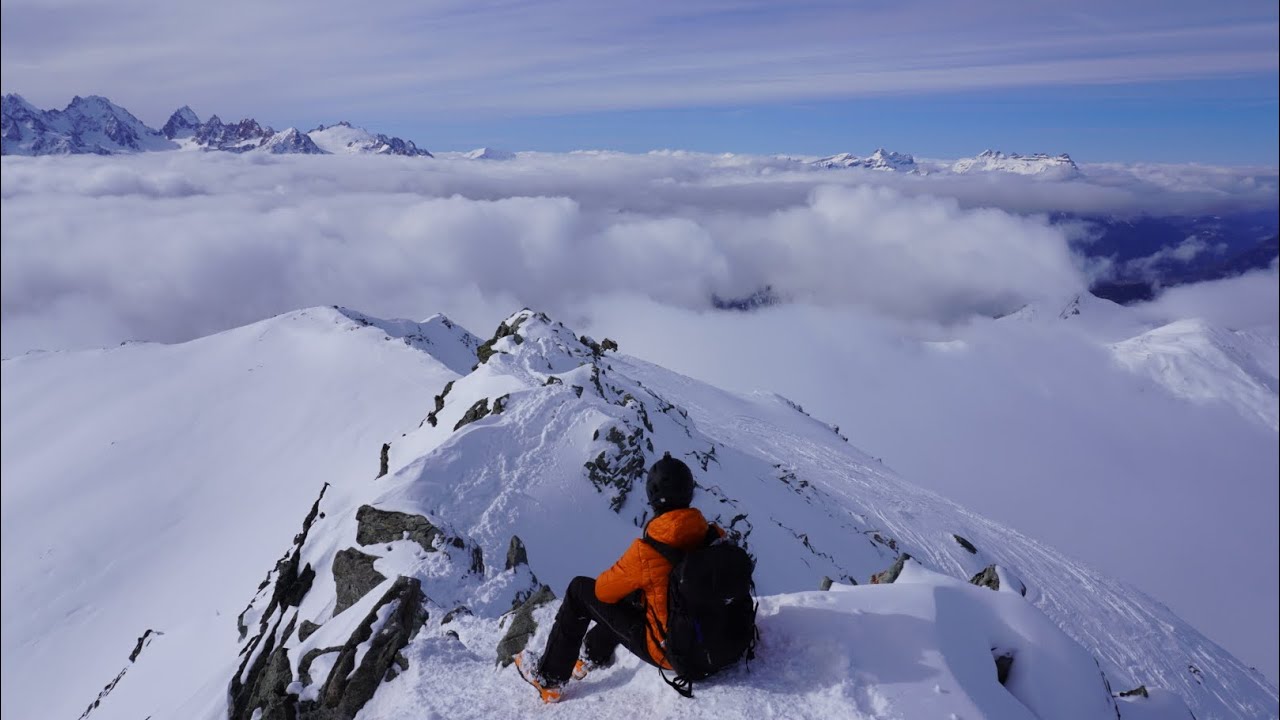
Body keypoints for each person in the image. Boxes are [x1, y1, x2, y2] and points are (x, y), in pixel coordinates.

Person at [514, 452, 723, 703]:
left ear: (653, 497)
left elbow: (603, 592)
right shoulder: (712, 535)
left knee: (581, 590)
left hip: (671, 652)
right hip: (717, 640)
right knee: (638, 592)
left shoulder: (648, 551)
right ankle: (592, 653)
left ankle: (550, 679)